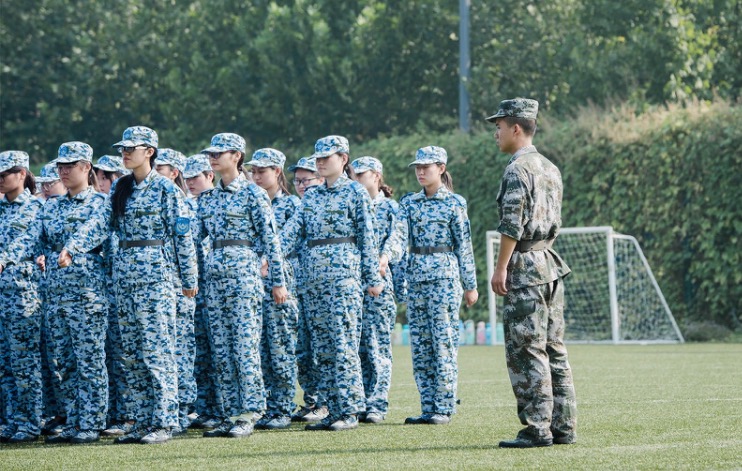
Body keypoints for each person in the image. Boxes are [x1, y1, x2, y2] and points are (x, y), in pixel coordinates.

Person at [487, 97, 577, 448]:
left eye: (499, 126)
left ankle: (537, 428)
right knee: (554, 349)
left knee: (527, 350)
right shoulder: (550, 167)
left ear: (516, 128)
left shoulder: (517, 169)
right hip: (550, 266)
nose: (496, 133)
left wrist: (501, 268)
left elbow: (512, 225)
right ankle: (563, 427)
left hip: (525, 267)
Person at [102, 126, 199, 445]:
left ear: (150, 152)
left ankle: (165, 420)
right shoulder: (121, 187)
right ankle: (143, 419)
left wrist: (189, 278)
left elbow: (182, 235)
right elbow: (102, 224)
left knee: (158, 349)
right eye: (123, 149)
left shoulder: (167, 190)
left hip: (157, 278)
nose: (125, 153)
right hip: (126, 278)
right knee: (132, 352)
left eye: (132, 148)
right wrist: (72, 247)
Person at [281, 135, 383, 432]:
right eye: (319, 158)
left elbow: (367, 238)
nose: (321, 162)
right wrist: (271, 256)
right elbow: (293, 231)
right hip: (313, 281)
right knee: (322, 348)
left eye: (328, 157)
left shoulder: (355, 192)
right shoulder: (311, 195)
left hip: (343, 280)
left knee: (343, 345)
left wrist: (371, 278)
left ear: (344, 159)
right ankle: (331, 408)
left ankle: (349, 410)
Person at [196, 133, 287, 439]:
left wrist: (277, 281)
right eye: (211, 153)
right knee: (220, 349)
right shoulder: (207, 198)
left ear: (236, 156)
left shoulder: (253, 194)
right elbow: (195, 239)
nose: (213, 157)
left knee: (245, 347)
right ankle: (228, 413)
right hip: (214, 280)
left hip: (244, 278)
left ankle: (249, 412)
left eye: (219, 153)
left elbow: (271, 242)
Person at [35, 142, 109, 444]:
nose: (63, 171)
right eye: (60, 167)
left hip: (87, 296)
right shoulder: (51, 205)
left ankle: (91, 423)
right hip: (56, 295)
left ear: (86, 168)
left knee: (89, 361)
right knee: (63, 363)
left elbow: (95, 234)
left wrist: (72, 248)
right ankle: (73, 421)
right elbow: (32, 238)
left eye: (70, 165)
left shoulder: (101, 204)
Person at [400, 146, 478, 426]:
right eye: (418, 167)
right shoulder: (409, 203)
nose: (421, 171)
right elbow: (399, 240)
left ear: (441, 169)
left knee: (442, 342)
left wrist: (470, 285)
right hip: (416, 277)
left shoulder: (455, 203)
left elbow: (464, 245)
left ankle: (443, 407)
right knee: (420, 345)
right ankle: (428, 406)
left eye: (427, 167)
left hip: (444, 278)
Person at [246, 148, 301, 430]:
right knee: (258, 349)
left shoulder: (292, 206)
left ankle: (283, 407)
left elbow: (288, 244)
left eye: (262, 171)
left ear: (277, 172)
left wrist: (273, 268)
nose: (256, 176)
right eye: (253, 171)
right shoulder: (249, 202)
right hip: (250, 282)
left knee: (279, 347)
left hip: (279, 282)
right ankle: (266, 406)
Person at [350, 156, 406, 424]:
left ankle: (377, 403)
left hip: (380, 284)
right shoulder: (352, 204)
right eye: (354, 175)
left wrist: (383, 258)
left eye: (361, 175)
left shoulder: (391, 208)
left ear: (376, 176)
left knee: (377, 346)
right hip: (351, 283)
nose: (356, 180)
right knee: (357, 346)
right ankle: (359, 400)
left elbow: (397, 240)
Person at [0, 150, 44, 443]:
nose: (1, 179)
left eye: (5, 173)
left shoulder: (36, 208)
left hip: (22, 294)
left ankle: (29, 422)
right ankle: (10, 421)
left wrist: (4, 259)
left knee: (24, 362)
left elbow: (26, 241)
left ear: (22, 174)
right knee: (4, 363)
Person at [286, 156, 328, 423]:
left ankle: (326, 402)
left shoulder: (321, 207)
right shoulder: (299, 208)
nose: (301, 185)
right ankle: (312, 400)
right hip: (298, 287)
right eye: (298, 180)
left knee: (323, 347)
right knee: (302, 350)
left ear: (320, 179)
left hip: (322, 286)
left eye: (306, 180)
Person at [182, 154, 220, 430]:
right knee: (200, 353)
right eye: (187, 178)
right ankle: (204, 408)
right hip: (191, 289)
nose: (190, 183)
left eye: (196, 177)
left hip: (216, 286)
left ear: (210, 176)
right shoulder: (183, 206)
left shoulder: (219, 202)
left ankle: (221, 408)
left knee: (219, 350)